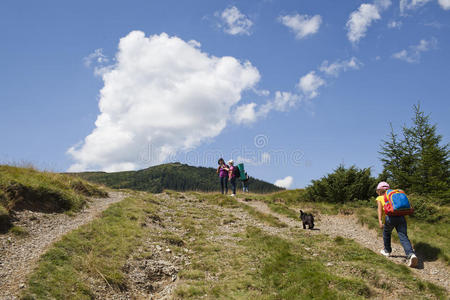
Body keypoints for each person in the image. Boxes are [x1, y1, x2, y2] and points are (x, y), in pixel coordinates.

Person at [376, 181, 418, 267]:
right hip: (401, 217)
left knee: (386, 233)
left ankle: (387, 251)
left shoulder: (380, 198)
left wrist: (380, 220)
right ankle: (411, 254)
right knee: (403, 236)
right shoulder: (394, 195)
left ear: (379, 190)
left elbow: (380, 210)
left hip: (390, 218)